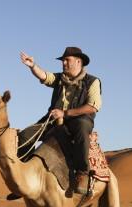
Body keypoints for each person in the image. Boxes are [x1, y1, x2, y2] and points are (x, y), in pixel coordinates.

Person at [18, 46, 102, 195]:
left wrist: (65, 113)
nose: (63, 63)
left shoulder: (93, 81)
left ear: (78, 61)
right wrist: (32, 66)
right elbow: (44, 76)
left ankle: (82, 173)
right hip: (53, 119)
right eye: (63, 60)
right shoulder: (59, 79)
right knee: (25, 135)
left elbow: (93, 107)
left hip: (79, 119)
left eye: (66, 60)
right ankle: (25, 177)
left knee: (82, 130)